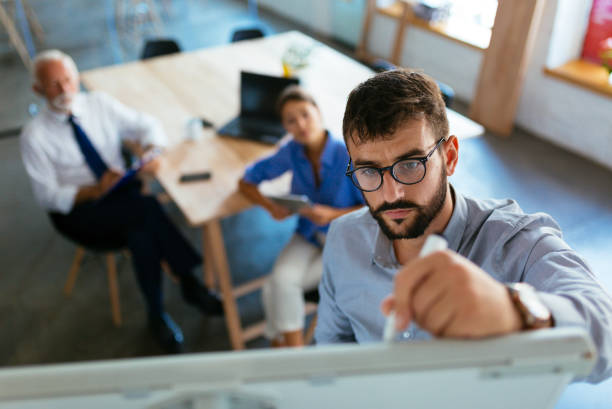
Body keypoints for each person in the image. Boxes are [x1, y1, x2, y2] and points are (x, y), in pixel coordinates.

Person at [314, 69, 612, 383]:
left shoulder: (518, 244)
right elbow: (332, 345)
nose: (392, 193)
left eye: (412, 164)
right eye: (369, 172)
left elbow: (605, 336)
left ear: (450, 157)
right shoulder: (343, 238)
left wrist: (513, 312)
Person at [20, 49, 223, 353]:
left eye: (68, 80)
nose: (64, 90)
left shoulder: (98, 104)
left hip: (121, 195)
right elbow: (47, 196)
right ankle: (189, 284)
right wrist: (94, 191)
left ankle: (157, 315)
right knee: (147, 210)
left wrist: (152, 151)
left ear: (76, 78)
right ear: (38, 90)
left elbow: (148, 125)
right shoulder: (34, 136)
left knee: (141, 231)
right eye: (54, 84)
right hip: (79, 210)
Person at [238, 86, 364, 347]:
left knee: (276, 286)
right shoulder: (292, 151)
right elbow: (246, 181)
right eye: (291, 121)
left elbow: (376, 210)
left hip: (346, 241)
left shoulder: (349, 156)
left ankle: (280, 344)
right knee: (278, 284)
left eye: (305, 115)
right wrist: (270, 207)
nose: (300, 125)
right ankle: (292, 352)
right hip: (308, 234)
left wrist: (333, 214)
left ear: (318, 112)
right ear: (284, 126)